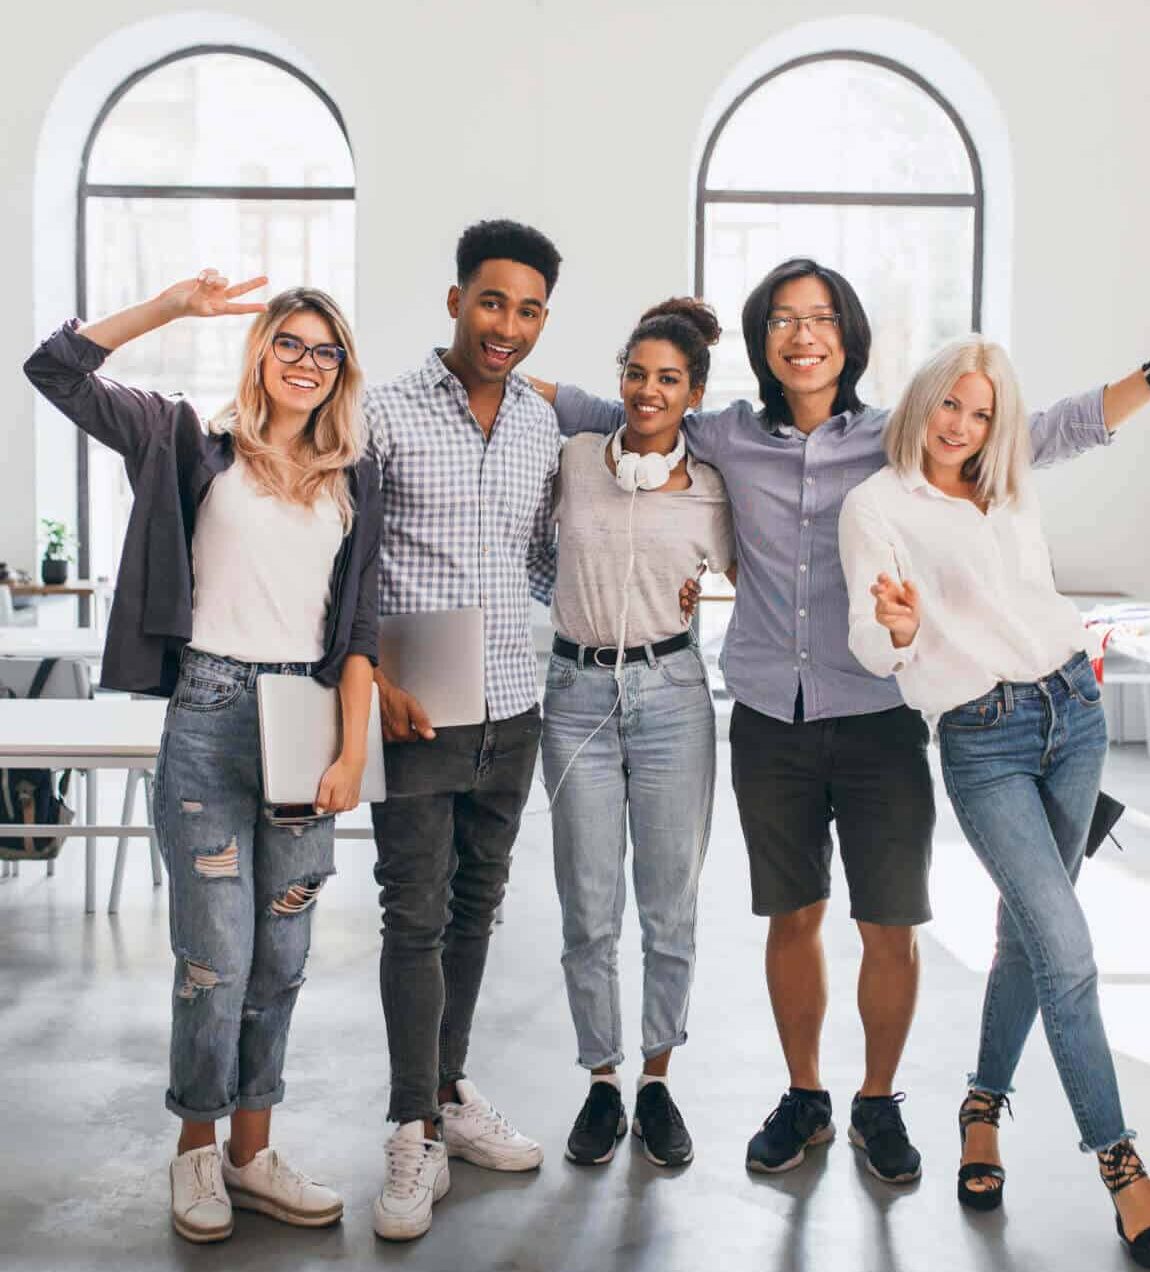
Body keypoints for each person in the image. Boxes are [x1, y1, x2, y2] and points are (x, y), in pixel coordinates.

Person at [539, 258, 1150, 1182]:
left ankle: (878, 1101)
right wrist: (499, 370)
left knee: (890, 923)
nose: (804, 334)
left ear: (850, 336)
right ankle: (806, 1097)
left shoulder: (897, 439)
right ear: (761, 341)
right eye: (785, 319)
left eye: (822, 317)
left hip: (880, 717)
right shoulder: (721, 435)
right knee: (792, 918)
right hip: (768, 717)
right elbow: (616, 409)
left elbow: (1039, 435)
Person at [837, 333, 1150, 1269]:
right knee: (1064, 945)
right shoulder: (877, 505)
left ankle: (981, 1109)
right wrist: (894, 629)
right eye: (951, 405)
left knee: (1028, 934)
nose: (963, 426)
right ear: (922, 399)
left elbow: (1080, 423)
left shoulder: (1009, 479)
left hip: (1074, 713)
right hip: (983, 738)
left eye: (982, 414)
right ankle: (1120, 1162)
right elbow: (871, 631)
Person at [24, 270, 383, 1243]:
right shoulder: (190, 443)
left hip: (305, 722)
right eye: (290, 343)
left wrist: (354, 753)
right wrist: (171, 309)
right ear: (261, 351)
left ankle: (252, 1152)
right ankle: (194, 1152)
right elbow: (53, 369)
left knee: (283, 956)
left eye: (325, 350)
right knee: (214, 958)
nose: (307, 363)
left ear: (340, 368)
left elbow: (360, 635)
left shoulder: (355, 476)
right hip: (209, 715)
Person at [364, 220, 561, 1241]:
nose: (509, 326)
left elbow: (534, 559)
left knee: (479, 908)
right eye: (494, 302)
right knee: (415, 914)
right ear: (455, 301)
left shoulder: (537, 424)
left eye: (530, 310)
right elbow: (345, 557)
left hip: (512, 701)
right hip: (419, 692)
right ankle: (408, 1128)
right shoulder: (386, 412)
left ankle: (445, 1095)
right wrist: (366, 671)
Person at [538, 299, 733, 1169]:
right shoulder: (576, 458)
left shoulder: (712, 490)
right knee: (587, 904)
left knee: (669, 905)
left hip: (674, 694)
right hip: (574, 693)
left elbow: (763, 576)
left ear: (693, 393)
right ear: (617, 378)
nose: (647, 391)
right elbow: (532, 546)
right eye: (636, 374)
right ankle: (602, 1080)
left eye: (667, 379)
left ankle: (656, 1081)